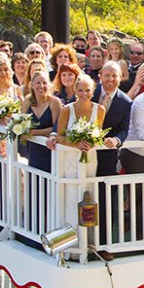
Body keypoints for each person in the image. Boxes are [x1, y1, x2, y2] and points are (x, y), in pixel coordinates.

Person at [49, 73, 106, 224]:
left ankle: (88, 238)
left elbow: (99, 135)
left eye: (87, 90)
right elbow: (60, 137)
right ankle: (73, 236)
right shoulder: (67, 110)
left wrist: (91, 143)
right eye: (80, 90)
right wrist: (76, 144)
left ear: (93, 91)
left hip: (90, 157)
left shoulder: (100, 109)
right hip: (71, 158)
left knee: (89, 192)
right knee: (72, 193)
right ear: (75, 91)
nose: (84, 94)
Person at [22, 63, 63, 172]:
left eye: (44, 83)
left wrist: (34, 132)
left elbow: (57, 128)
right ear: (32, 85)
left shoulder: (54, 102)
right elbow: (21, 124)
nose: (41, 86)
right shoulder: (27, 101)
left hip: (50, 149)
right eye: (38, 83)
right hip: (33, 149)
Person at [94, 62, 132, 177]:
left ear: (120, 77)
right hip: (85, 150)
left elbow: (124, 129)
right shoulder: (88, 92)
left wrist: (116, 140)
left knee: (105, 191)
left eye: (114, 76)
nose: (110, 79)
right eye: (107, 75)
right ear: (100, 76)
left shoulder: (126, 102)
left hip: (107, 154)